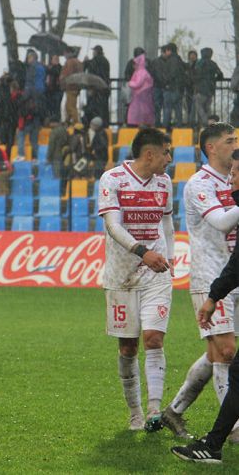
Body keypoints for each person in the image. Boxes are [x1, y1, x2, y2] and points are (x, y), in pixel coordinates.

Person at [162, 124, 239, 441]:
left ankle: (174, 411)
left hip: (234, 272)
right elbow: (221, 222)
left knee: (216, 353)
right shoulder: (199, 184)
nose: (235, 144)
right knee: (225, 351)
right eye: (229, 141)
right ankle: (232, 429)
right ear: (211, 148)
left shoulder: (231, 180)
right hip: (210, 275)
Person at [97, 127, 174, 432]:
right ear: (150, 153)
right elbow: (113, 227)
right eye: (166, 152)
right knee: (128, 347)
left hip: (156, 273)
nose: (170, 158)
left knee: (153, 339)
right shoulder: (113, 179)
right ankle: (135, 414)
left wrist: (171, 259)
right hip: (121, 276)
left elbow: (166, 220)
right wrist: (143, 252)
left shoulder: (165, 182)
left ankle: (155, 411)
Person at [193, 48, 225, 128]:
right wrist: (213, 79)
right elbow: (220, 75)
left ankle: (205, 122)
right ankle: (209, 124)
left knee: (198, 105)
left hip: (200, 89)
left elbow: (195, 75)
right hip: (210, 90)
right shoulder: (213, 64)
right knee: (207, 107)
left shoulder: (199, 63)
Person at [159, 43, 186, 128]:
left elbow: (171, 74)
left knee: (167, 109)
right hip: (179, 88)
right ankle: (179, 127)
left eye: (166, 50)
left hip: (171, 88)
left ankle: (165, 127)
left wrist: (165, 82)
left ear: (169, 50)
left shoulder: (171, 60)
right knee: (178, 109)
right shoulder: (179, 60)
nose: (165, 52)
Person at [83, 45, 111, 125]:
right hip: (104, 88)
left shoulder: (94, 61)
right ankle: (104, 124)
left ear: (96, 52)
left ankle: (94, 124)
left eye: (93, 51)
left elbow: (88, 70)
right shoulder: (106, 61)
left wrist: (85, 61)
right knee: (103, 108)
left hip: (95, 89)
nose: (93, 53)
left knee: (94, 109)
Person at [128, 53, 155, 127]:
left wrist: (130, 83)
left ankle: (137, 124)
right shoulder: (142, 72)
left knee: (137, 115)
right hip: (143, 97)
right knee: (145, 113)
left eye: (135, 64)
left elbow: (137, 83)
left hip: (139, 96)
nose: (133, 66)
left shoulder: (141, 72)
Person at [61, 47, 84, 124]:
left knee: (70, 106)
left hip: (70, 86)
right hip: (76, 86)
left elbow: (68, 74)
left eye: (64, 53)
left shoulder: (70, 62)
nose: (64, 55)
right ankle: (68, 120)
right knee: (69, 105)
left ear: (68, 53)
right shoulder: (78, 62)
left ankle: (75, 122)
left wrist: (62, 78)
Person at [184, 50, 199, 126]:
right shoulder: (186, 65)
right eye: (191, 55)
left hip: (195, 88)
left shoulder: (198, 65)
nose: (192, 56)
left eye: (194, 55)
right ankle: (189, 122)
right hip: (188, 88)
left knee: (194, 107)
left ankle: (191, 123)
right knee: (189, 107)